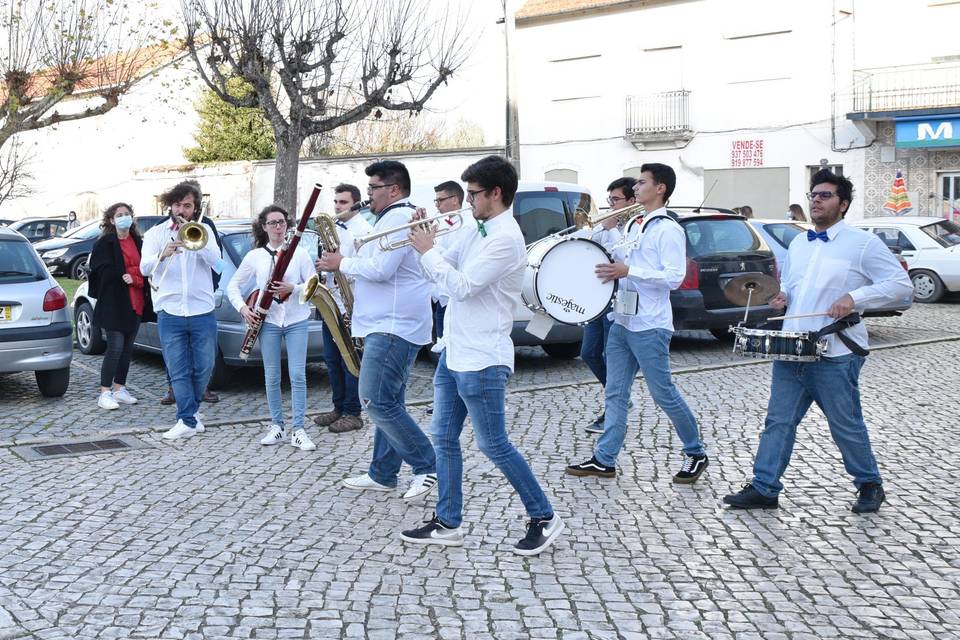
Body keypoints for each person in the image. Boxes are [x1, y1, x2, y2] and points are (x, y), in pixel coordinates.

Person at [723, 170, 913, 513]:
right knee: (777, 422)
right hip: (792, 347)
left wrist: (855, 298)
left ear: (843, 204)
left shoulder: (863, 243)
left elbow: (901, 286)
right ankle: (765, 487)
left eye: (825, 195)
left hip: (837, 352)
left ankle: (870, 485)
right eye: (813, 195)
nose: (816, 201)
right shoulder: (798, 243)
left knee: (845, 423)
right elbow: (795, 287)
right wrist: (783, 297)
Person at [402, 155, 564, 555]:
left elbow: (462, 286)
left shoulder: (506, 239)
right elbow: (441, 271)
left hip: (483, 356)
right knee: (443, 437)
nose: (467, 201)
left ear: (496, 193)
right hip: (455, 351)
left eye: (473, 194)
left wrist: (428, 252)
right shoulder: (477, 228)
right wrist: (429, 241)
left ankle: (544, 516)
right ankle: (447, 522)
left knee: (493, 445)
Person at [566, 163, 709, 483]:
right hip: (623, 320)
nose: (636, 188)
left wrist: (629, 272)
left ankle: (696, 451)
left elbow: (674, 278)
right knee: (615, 393)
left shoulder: (668, 229)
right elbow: (624, 264)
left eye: (642, 182)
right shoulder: (635, 224)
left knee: (664, 393)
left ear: (660, 189)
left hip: (650, 325)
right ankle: (604, 459)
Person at [316, 160, 437, 502]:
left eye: (373, 188)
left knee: (375, 399)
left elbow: (382, 270)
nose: (366, 195)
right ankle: (383, 473)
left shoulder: (399, 217)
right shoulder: (389, 218)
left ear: (394, 189)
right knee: (390, 399)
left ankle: (427, 465)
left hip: (394, 324)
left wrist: (343, 264)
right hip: (386, 321)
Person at [228, 205, 317, 450]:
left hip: (296, 320)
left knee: (298, 374)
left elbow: (313, 284)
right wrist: (244, 309)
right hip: (268, 322)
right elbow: (233, 286)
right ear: (264, 227)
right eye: (273, 223)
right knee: (272, 375)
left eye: (281, 222)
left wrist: (293, 289)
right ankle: (277, 425)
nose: (278, 227)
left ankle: (298, 429)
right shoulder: (255, 256)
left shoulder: (299, 254)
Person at [140, 181, 222, 440]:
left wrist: (197, 242)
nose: (182, 210)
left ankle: (191, 414)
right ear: (170, 207)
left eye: (187, 205)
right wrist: (163, 254)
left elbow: (218, 265)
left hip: (202, 309)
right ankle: (186, 419)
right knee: (178, 369)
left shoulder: (205, 230)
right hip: (170, 309)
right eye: (178, 205)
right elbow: (144, 269)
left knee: (204, 367)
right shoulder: (155, 234)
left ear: (195, 207)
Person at [313, 183, 373, 434]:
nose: (338, 207)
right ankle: (338, 407)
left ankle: (353, 412)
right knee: (332, 359)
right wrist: (321, 269)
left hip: (353, 303)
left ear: (356, 204)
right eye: (336, 202)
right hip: (332, 303)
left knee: (351, 360)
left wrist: (339, 268)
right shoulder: (332, 229)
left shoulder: (365, 232)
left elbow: (368, 269)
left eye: (343, 203)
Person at [579, 177, 635, 434]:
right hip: (598, 299)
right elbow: (590, 247)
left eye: (616, 200)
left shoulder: (635, 227)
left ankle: (614, 407)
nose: (610, 205)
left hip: (621, 302)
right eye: (609, 199)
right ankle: (621, 399)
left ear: (631, 201)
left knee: (612, 359)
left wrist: (612, 229)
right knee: (589, 352)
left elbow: (625, 256)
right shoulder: (607, 226)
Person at [88, 203, 150, 410]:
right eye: (120, 215)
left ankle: (119, 388)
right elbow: (99, 272)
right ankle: (104, 392)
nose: (124, 217)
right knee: (115, 347)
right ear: (112, 220)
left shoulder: (138, 241)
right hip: (114, 303)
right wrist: (121, 276)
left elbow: (146, 268)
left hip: (135, 300)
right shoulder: (105, 243)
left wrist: (134, 278)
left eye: (127, 214)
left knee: (127, 349)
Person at [430, 180, 466, 342]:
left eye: (440, 200)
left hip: (451, 296)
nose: (437, 205)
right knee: (441, 344)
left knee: (447, 347)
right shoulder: (444, 221)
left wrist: (429, 246)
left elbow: (453, 259)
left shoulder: (465, 224)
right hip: (439, 295)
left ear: (454, 200)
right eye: (436, 200)